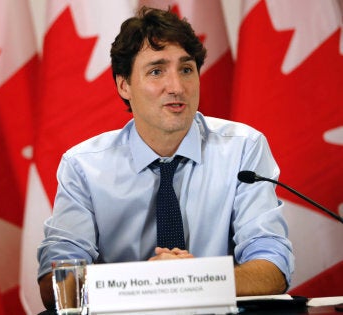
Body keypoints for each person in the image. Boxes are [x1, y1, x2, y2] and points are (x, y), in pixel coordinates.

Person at [37, 7, 294, 310]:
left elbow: (273, 267)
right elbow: (58, 286)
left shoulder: (243, 149)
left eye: (186, 69)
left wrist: (193, 280)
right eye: (157, 71)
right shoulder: (84, 166)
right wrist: (155, 282)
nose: (176, 87)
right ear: (124, 85)